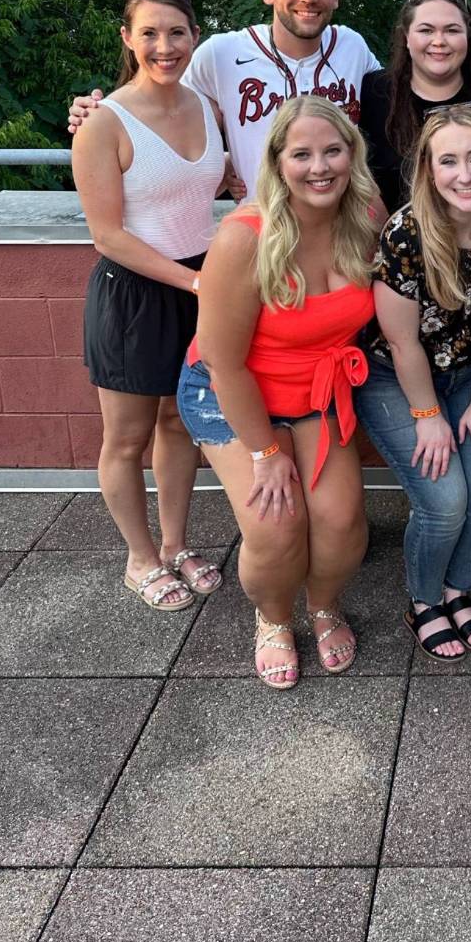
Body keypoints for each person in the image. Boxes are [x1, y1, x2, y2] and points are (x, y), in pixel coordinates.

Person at [175, 97, 379, 688]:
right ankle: (272, 619)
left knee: (341, 520)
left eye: (333, 150)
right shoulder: (246, 237)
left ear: (351, 155)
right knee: (276, 524)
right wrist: (266, 455)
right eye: (302, 154)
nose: (320, 166)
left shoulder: (365, 214)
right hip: (230, 393)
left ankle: (323, 606)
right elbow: (222, 361)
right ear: (277, 162)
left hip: (317, 391)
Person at [354, 105, 471, 663]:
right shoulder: (407, 231)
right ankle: (424, 601)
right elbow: (403, 342)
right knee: (445, 502)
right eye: (449, 161)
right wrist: (428, 417)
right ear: (429, 170)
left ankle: (458, 591)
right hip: (398, 378)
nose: (465, 174)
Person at [71, 0, 227, 611]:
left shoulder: (204, 105)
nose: (165, 47)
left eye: (178, 33)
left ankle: (175, 543)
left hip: (200, 282)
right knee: (127, 437)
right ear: (127, 39)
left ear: (195, 37)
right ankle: (139, 559)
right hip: (137, 293)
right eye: (150, 33)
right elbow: (108, 235)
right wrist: (196, 281)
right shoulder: (103, 123)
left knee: (178, 422)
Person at [70, 0, 383, 198]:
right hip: (260, 234)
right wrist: (102, 112)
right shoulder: (223, 52)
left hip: (340, 229)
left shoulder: (352, 47)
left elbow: (399, 100)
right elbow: (160, 105)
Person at [358, 0, 471, 215]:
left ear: (468, 36)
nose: (439, 41)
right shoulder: (374, 92)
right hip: (396, 244)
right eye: (426, 30)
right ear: (406, 36)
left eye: (452, 30)